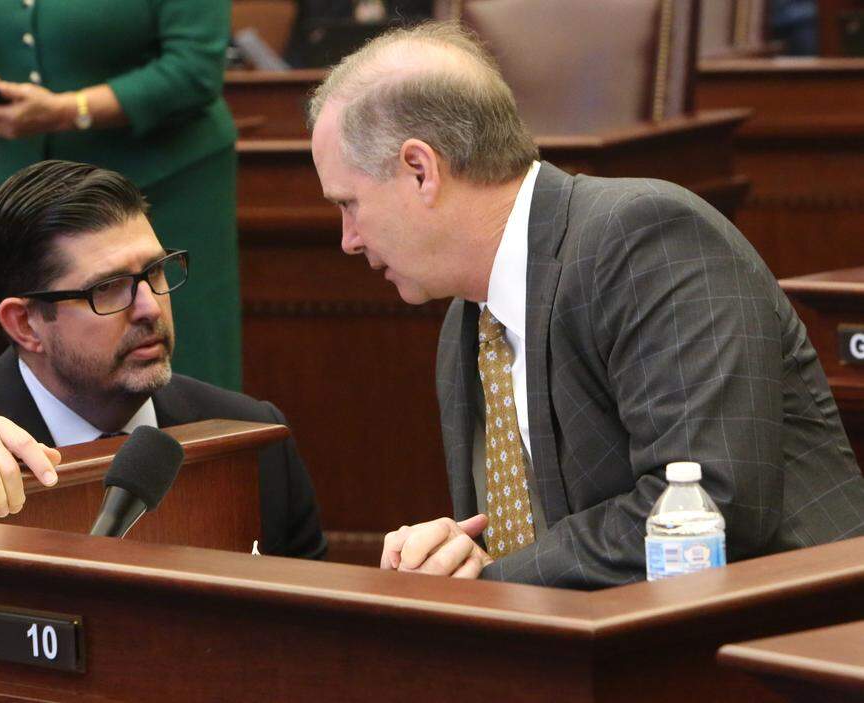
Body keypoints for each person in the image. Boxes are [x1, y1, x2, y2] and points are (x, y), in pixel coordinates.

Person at [307, 22, 864, 588]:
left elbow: (709, 507)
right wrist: (453, 553)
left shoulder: (644, 237)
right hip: (604, 651)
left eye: (349, 203)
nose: (348, 238)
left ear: (420, 170)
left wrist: (494, 581)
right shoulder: (469, 319)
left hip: (791, 638)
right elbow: (533, 534)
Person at [0, 160, 326, 560]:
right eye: (108, 288)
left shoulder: (251, 434)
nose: (149, 307)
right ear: (26, 324)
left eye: (156, 271)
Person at [0, 0, 242, 391]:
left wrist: (69, 110)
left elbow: (194, 69)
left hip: (162, 188)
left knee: (176, 365)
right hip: (34, 199)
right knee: (51, 364)